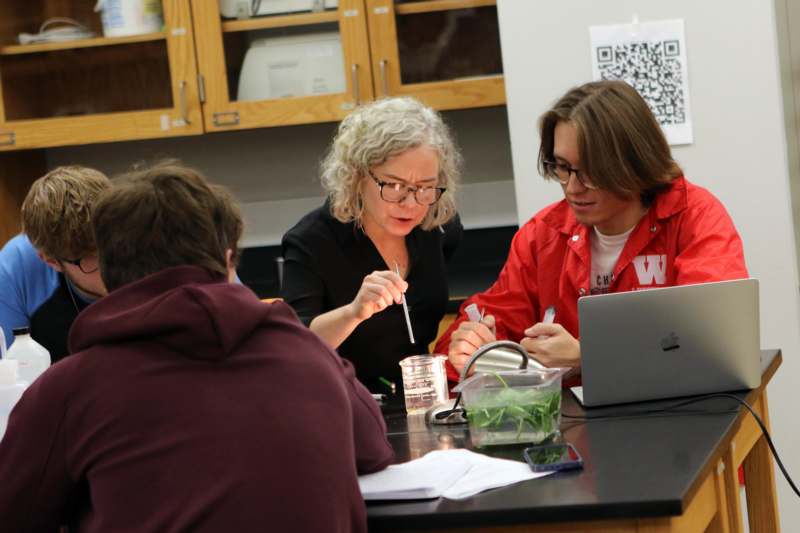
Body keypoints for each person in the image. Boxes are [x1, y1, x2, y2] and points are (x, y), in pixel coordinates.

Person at [0, 163, 394, 533]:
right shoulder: (307, 352)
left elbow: (14, 511)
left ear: (112, 270)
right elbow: (375, 451)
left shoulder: (71, 388)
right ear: (227, 260)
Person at [436, 80, 748, 382]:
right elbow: (481, 327)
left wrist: (588, 356)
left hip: (684, 415)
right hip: (576, 425)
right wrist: (471, 348)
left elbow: (711, 345)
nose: (572, 188)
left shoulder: (694, 217)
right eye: (562, 167)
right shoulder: (542, 236)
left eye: (590, 171)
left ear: (633, 163)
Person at [282, 97, 463, 392]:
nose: (410, 203)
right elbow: (295, 345)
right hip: (344, 403)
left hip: (421, 398)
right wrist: (354, 311)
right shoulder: (313, 241)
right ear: (357, 176)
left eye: (426, 187)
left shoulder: (438, 228)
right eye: (393, 186)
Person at [0, 166, 110, 360]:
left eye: (112, 244)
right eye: (92, 258)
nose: (114, 262)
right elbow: (10, 372)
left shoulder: (145, 239)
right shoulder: (17, 265)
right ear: (51, 261)